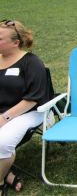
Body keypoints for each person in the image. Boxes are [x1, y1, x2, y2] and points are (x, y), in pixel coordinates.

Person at [0, 20, 49, 195]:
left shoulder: (31, 62)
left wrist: (4, 118)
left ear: (16, 43)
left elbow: (32, 99)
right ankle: (8, 175)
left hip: (28, 112)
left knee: (2, 142)